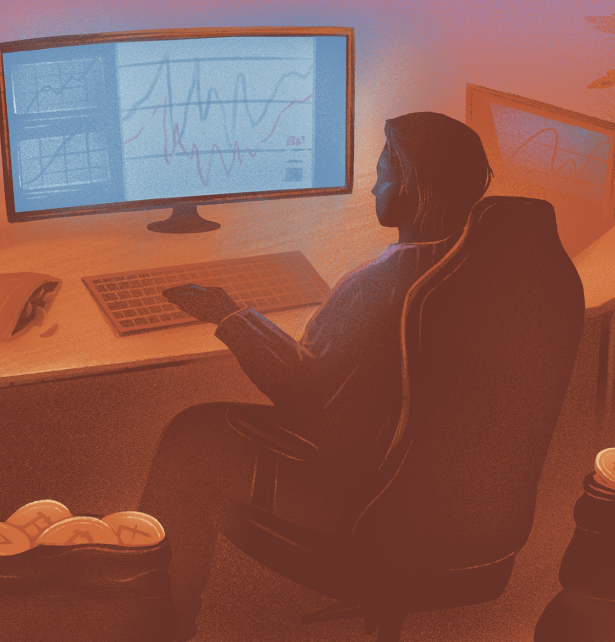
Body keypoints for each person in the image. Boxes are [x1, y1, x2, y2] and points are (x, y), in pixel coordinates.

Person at [138, 111, 494, 641]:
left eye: (385, 175)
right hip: (445, 483)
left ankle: (157, 621)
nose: (374, 186)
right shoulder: (482, 264)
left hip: (360, 488)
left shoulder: (385, 280)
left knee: (191, 436)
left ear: (415, 188)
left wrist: (226, 314)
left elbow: (301, 390)